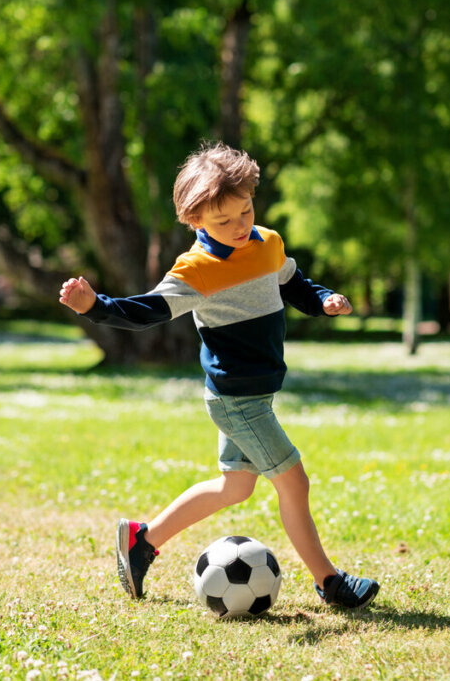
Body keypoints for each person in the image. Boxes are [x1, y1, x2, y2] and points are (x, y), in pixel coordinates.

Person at [58, 142, 379, 609]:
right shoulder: (197, 270)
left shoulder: (267, 243)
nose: (238, 226)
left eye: (245, 211)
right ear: (195, 222)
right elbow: (147, 310)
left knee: (235, 486)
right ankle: (329, 582)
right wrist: (96, 307)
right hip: (235, 399)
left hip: (256, 393)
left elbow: (293, 282)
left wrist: (324, 300)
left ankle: (141, 542)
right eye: (222, 221)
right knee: (294, 481)